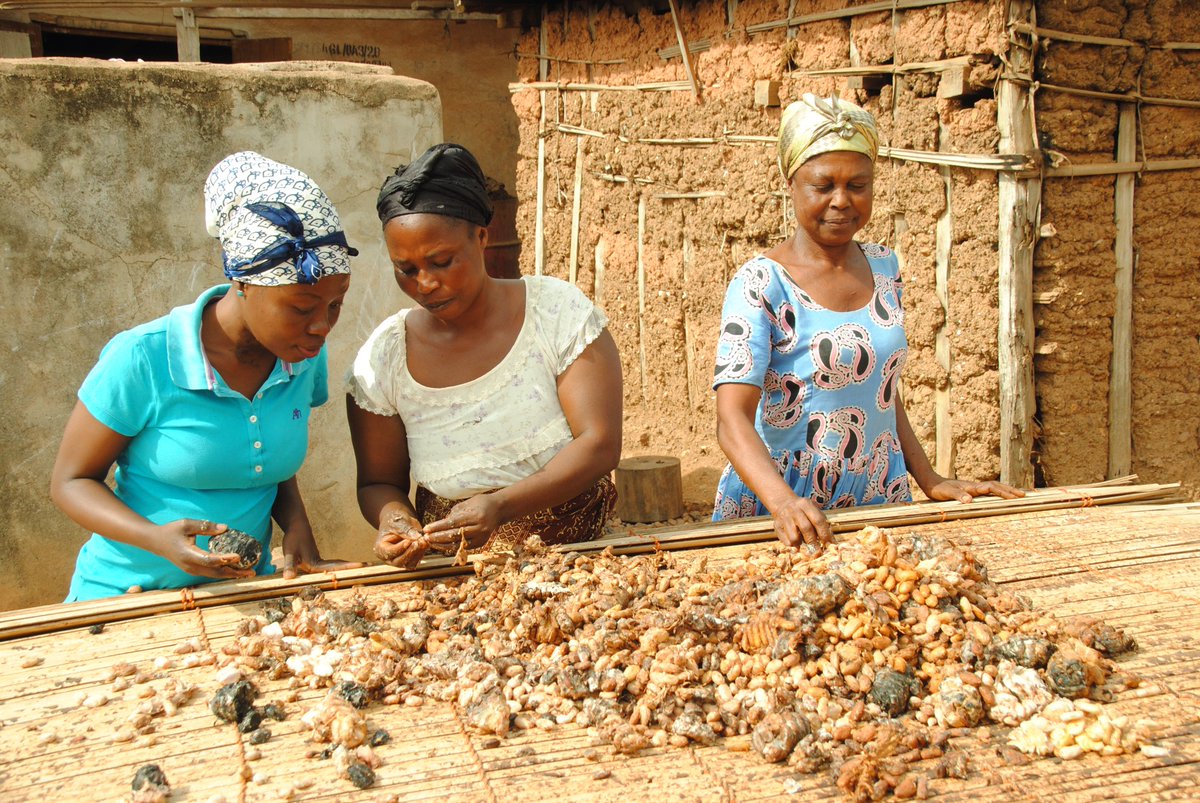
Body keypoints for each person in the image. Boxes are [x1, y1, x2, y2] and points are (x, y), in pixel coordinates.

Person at [712, 93, 1023, 549]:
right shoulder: (761, 284)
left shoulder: (883, 267)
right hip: (785, 505)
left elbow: (881, 391)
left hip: (877, 496)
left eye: (858, 185)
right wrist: (783, 503)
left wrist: (929, 478)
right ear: (792, 184)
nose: (841, 201)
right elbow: (731, 419)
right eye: (823, 186)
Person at [51, 151, 363, 601]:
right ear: (243, 284)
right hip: (128, 597)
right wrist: (156, 539)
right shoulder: (144, 357)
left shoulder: (302, 355)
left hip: (239, 598)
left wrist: (298, 532)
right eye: (301, 308)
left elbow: (264, 459)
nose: (322, 325)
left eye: (336, 304)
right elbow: (71, 482)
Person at [346, 143, 622, 569]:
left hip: (577, 554)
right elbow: (379, 482)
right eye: (406, 269)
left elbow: (599, 444)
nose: (425, 283)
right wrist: (394, 519)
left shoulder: (555, 314)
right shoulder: (384, 359)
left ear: (481, 237)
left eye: (441, 261)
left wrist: (500, 506)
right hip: (454, 567)